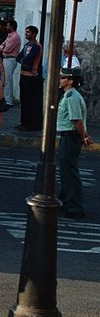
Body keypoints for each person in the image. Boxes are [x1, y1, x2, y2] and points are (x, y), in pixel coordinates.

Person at [55, 68, 91, 219]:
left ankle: (75, 207)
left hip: (71, 137)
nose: (60, 80)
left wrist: (83, 137)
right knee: (66, 171)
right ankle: (65, 201)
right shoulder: (69, 95)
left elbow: (77, 121)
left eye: (63, 78)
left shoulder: (71, 97)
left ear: (70, 81)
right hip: (68, 137)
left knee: (69, 173)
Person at [17, 26, 43, 132]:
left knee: (30, 101)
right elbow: (19, 57)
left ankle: (30, 124)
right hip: (24, 75)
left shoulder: (36, 46)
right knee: (23, 100)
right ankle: (24, 122)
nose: (26, 33)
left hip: (31, 77)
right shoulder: (27, 45)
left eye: (28, 32)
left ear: (34, 34)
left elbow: (28, 58)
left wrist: (24, 61)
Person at [0, 20, 21, 106]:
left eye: (8, 26)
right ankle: (5, 97)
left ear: (12, 26)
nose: (6, 27)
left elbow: (6, 49)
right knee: (4, 78)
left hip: (10, 59)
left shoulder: (15, 37)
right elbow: (1, 45)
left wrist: (2, 48)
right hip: (6, 58)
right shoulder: (9, 36)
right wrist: (2, 47)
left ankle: (8, 100)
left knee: (7, 79)